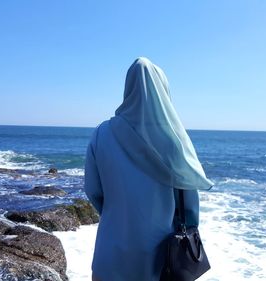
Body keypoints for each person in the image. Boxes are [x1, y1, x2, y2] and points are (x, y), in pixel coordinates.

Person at [84, 57, 213, 281]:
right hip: (159, 261)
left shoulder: (101, 133)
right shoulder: (174, 141)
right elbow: (189, 208)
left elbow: (93, 191)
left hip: (110, 255)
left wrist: (120, 216)